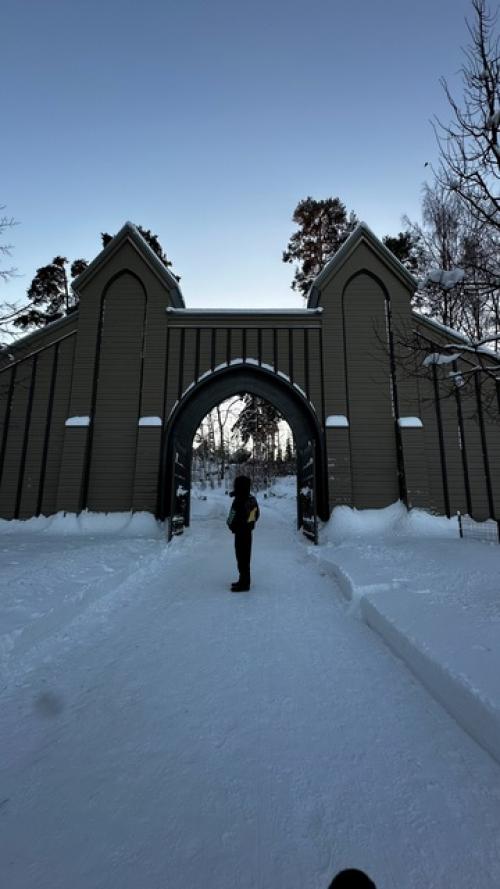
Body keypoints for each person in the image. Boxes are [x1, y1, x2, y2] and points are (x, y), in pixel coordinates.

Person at [226, 475, 260, 592]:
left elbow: (231, 516)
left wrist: (231, 525)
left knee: (242, 558)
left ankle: (244, 584)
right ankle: (243, 580)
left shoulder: (240, 500)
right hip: (247, 533)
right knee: (244, 557)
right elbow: (256, 516)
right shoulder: (250, 499)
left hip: (240, 533)